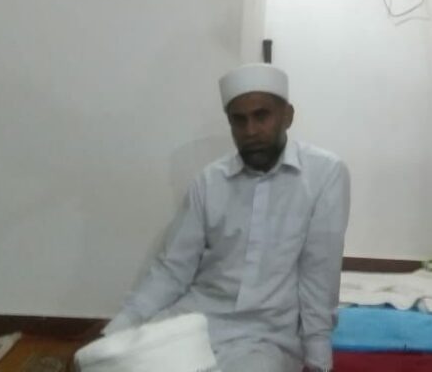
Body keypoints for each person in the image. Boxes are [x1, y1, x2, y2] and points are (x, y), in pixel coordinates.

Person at [103, 63, 350, 372]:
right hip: (194, 322)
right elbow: (173, 268)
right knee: (108, 366)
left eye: (262, 116)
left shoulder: (324, 174)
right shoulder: (210, 181)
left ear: (287, 116)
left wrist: (318, 357)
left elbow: (319, 272)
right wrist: (121, 327)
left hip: (266, 336)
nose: (251, 131)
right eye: (239, 120)